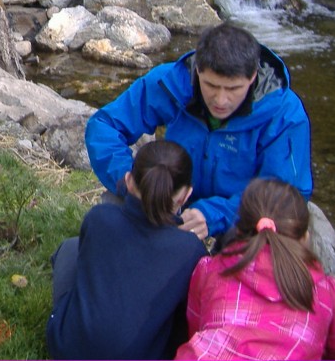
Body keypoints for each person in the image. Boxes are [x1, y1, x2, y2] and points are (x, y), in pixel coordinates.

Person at [85, 22, 312, 240]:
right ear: (197, 70)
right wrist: (135, 183)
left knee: (282, 232)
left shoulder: (284, 114)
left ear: (252, 77)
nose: (221, 100)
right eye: (211, 86)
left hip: (240, 214)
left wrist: (215, 215)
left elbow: (286, 192)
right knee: (115, 207)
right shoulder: (173, 82)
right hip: (171, 198)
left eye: (233, 89)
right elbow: (104, 126)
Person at [47, 140, 208, 360]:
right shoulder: (191, 250)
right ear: (185, 195)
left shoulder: (100, 217)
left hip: (67, 350)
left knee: (70, 249)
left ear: (129, 181)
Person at [175, 178, 335, 360]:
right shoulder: (325, 291)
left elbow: (195, 328)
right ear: (304, 237)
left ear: (239, 230)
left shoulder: (209, 270)